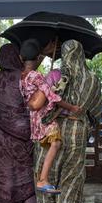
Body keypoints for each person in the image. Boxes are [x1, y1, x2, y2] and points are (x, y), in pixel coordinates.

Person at [34, 40, 102, 203]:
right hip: (78, 133)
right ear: (81, 55)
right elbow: (95, 114)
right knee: (70, 186)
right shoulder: (93, 81)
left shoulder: (57, 76)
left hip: (52, 133)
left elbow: (46, 104)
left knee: (46, 183)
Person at [0, 44, 41, 203]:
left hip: (2, 136)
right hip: (23, 137)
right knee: (26, 181)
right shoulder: (24, 76)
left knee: (6, 183)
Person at [19, 39, 80, 194]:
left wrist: (45, 52)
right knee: (56, 143)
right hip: (44, 116)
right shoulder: (37, 76)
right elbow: (52, 96)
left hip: (34, 118)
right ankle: (43, 180)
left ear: (21, 57)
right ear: (38, 56)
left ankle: (42, 179)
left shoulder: (22, 76)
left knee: (51, 145)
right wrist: (72, 107)